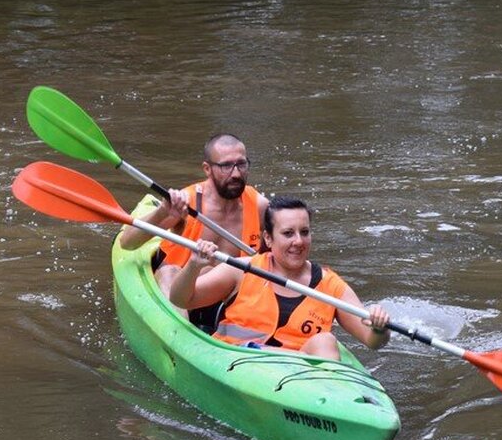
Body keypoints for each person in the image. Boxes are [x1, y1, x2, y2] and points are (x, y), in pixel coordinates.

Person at [169, 196, 391, 361]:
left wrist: (380, 328)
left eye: (305, 232)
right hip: (237, 360)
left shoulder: (330, 285)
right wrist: (193, 266)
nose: (298, 241)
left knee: (325, 342)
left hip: (297, 374)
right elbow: (181, 300)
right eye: (288, 233)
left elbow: (373, 341)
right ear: (268, 238)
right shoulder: (242, 269)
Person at [118, 133, 269, 326]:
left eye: (241, 164)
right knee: (169, 272)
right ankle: (178, 334)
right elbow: (128, 243)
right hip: (178, 294)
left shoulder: (259, 206)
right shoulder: (185, 204)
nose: (236, 174)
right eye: (226, 166)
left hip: (226, 296)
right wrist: (162, 212)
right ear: (207, 169)